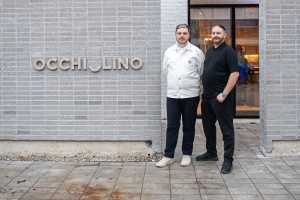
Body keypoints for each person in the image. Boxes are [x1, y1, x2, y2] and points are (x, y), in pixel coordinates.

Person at [156, 24, 205, 168]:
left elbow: (201, 71)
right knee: (172, 126)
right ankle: (168, 155)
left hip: (191, 95)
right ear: (175, 35)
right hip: (173, 95)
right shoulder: (169, 52)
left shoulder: (196, 52)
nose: (182, 35)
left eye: (184, 33)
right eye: (179, 33)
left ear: (189, 35)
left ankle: (186, 154)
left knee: (189, 126)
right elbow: (165, 71)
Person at [195, 25, 239, 174]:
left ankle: (228, 160)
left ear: (224, 35)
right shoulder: (210, 51)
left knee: (226, 130)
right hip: (207, 97)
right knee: (208, 127)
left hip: (221, 98)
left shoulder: (229, 51)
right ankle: (211, 153)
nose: (215, 35)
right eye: (213, 33)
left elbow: (235, 74)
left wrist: (224, 94)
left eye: (218, 33)